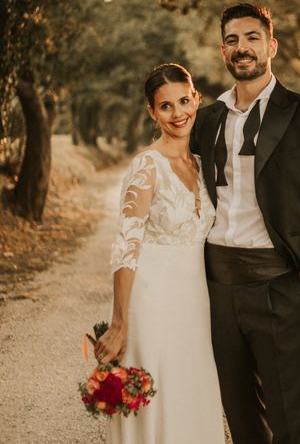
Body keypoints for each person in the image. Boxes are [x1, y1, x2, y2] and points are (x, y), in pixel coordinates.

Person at [190, 3, 300, 444]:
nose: (242, 48)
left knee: (292, 423)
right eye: (232, 40)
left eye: (252, 38)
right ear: (223, 50)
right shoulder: (207, 119)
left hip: (282, 286)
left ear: (271, 45)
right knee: (241, 422)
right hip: (218, 288)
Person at [95, 63, 224, 443]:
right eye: (165, 106)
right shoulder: (146, 167)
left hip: (195, 305)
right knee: (155, 400)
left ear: (196, 99)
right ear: (152, 112)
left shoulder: (202, 165)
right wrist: (119, 324)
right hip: (151, 304)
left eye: (184, 101)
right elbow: (126, 247)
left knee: (191, 394)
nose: (178, 113)